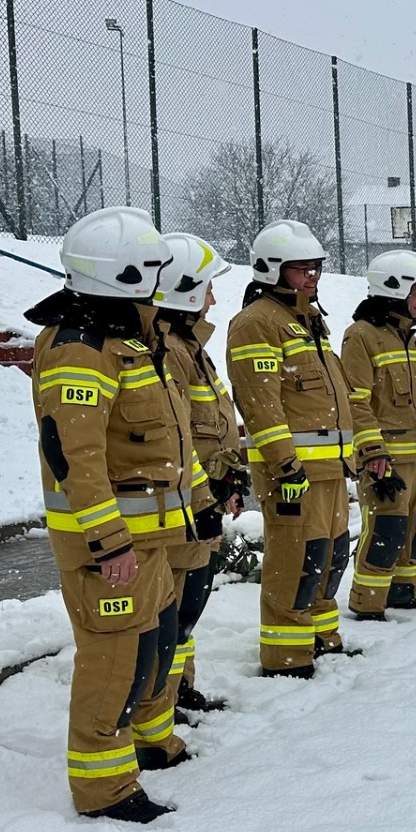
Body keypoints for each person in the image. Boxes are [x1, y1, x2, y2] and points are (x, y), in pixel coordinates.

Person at [24, 207, 184, 823]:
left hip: (149, 540)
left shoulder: (127, 338)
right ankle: (104, 791)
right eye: (153, 270)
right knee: (112, 665)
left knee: (144, 656)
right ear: (127, 274)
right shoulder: (81, 351)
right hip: (110, 550)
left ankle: (129, 766)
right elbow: (75, 456)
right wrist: (109, 540)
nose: (161, 281)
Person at [228, 220, 368, 678]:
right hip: (293, 472)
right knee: (295, 562)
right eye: (301, 269)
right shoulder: (256, 324)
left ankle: (321, 637)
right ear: (272, 270)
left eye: (316, 268)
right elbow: (260, 403)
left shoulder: (307, 318)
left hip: (329, 468)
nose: (312, 277)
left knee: (329, 556)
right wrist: (285, 465)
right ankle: (286, 657)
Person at [152, 232, 244, 722]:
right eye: (207, 287)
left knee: (190, 599)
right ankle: (161, 703)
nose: (214, 297)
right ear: (184, 291)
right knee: (180, 602)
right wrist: (206, 494)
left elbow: (210, 425)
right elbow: (178, 437)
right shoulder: (170, 350)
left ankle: (178, 689)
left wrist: (228, 478)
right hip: (184, 498)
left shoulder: (189, 346)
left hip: (202, 492)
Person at [342, 251, 416, 620]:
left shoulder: (409, 340)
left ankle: (403, 594)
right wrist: (372, 452)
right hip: (385, 459)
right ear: (396, 289)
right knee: (386, 531)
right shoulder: (361, 337)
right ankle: (368, 603)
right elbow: (355, 400)